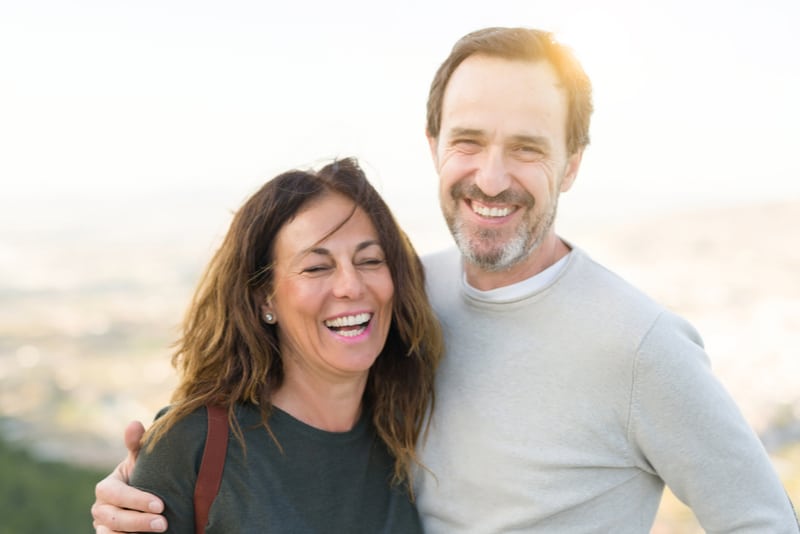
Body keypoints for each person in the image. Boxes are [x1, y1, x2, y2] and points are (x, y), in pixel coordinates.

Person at [93, 27, 799, 532]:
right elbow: (264, 407)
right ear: (434, 146)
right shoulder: (398, 300)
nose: (491, 177)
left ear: (573, 163)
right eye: (468, 140)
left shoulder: (641, 345)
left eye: (526, 148)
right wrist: (140, 486)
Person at [97, 157, 442, 533]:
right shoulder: (192, 445)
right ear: (266, 299)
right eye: (316, 267)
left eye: (370, 260)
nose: (352, 286)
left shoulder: (409, 432)